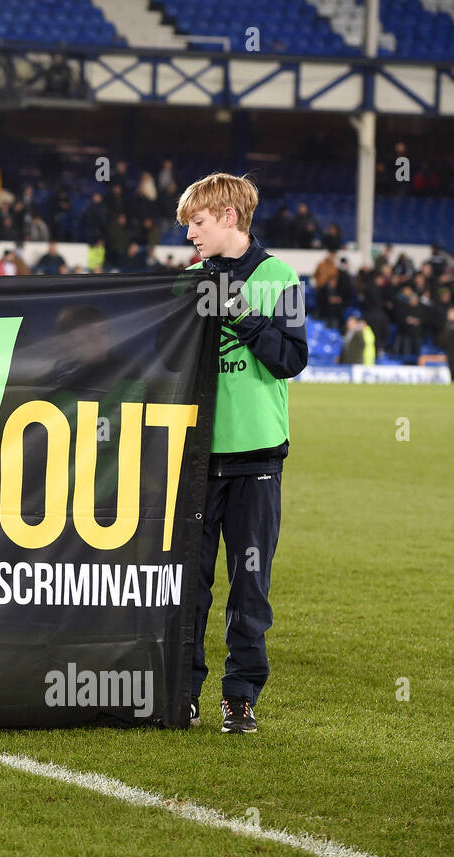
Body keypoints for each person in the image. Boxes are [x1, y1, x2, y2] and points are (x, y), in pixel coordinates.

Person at [178, 172, 307, 734]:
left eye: (197, 224)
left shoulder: (283, 278)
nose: (190, 236)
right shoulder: (188, 281)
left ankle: (240, 696)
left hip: (257, 459)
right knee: (188, 585)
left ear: (229, 217)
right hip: (196, 460)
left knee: (249, 588)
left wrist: (242, 314)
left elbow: (292, 359)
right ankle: (181, 691)